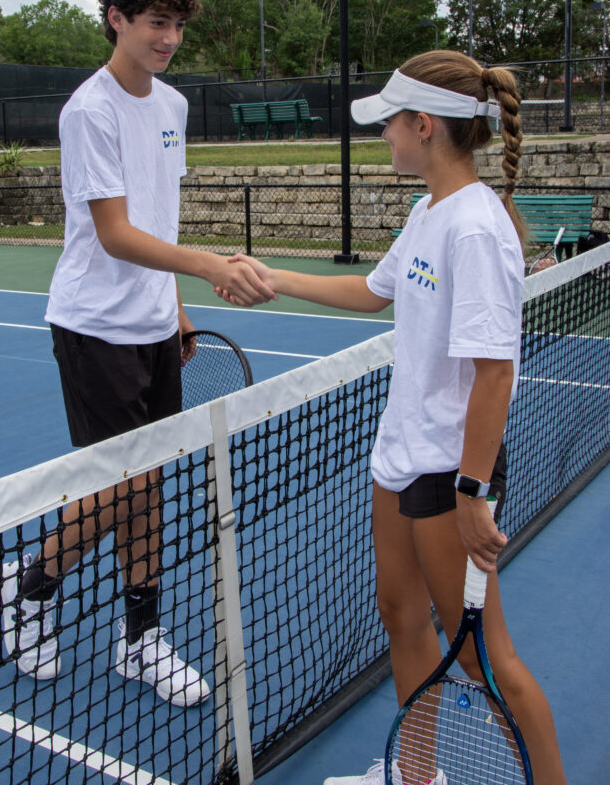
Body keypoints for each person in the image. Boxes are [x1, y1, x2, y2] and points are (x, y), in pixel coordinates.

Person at [220, 51, 567, 784]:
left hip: (451, 471)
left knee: (481, 657)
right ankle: (415, 777)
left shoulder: (473, 228)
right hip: (399, 454)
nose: (383, 135)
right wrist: (271, 276)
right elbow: (374, 291)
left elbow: (495, 370)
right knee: (400, 618)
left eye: (388, 123)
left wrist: (473, 491)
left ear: (423, 125)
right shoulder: (427, 210)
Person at [0, 0, 275, 707]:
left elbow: (157, 218)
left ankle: (141, 640)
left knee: (145, 487)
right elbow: (116, 234)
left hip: (154, 326)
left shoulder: (172, 107)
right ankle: (30, 588)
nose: (169, 38)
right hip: (94, 329)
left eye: (178, 24)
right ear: (116, 18)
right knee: (119, 486)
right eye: (156, 22)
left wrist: (177, 302)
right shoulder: (89, 111)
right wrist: (211, 265)